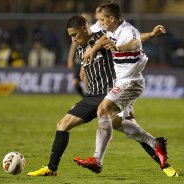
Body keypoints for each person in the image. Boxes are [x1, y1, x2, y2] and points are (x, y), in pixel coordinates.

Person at [27, 15, 175, 177]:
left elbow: (131, 40)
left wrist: (151, 35)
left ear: (84, 29)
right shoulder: (80, 50)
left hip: (112, 92)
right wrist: (84, 82)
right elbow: (87, 71)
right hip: (93, 96)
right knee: (63, 124)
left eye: (75, 35)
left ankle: (165, 165)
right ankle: (51, 169)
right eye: (70, 36)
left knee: (127, 128)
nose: (73, 39)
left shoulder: (101, 36)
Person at [73, 2, 178, 177]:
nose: (100, 23)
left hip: (130, 81)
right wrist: (94, 48)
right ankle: (155, 143)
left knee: (102, 110)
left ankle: (97, 160)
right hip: (123, 81)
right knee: (115, 122)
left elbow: (135, 43)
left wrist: (119, 48)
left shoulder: (127, 31)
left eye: (102, 20)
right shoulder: (113, 30)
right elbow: (105, 38)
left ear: (111, 18)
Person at [67, 9, 103, 97]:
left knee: (86, 77)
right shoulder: (78, 33)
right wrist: (70, 59)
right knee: (77, 80)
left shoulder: (94, 29)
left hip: (94, 58)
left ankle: (89, 98)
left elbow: (106, 36)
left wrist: (94, 49)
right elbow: (73, 45)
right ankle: (87, 98)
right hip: (82, 57)